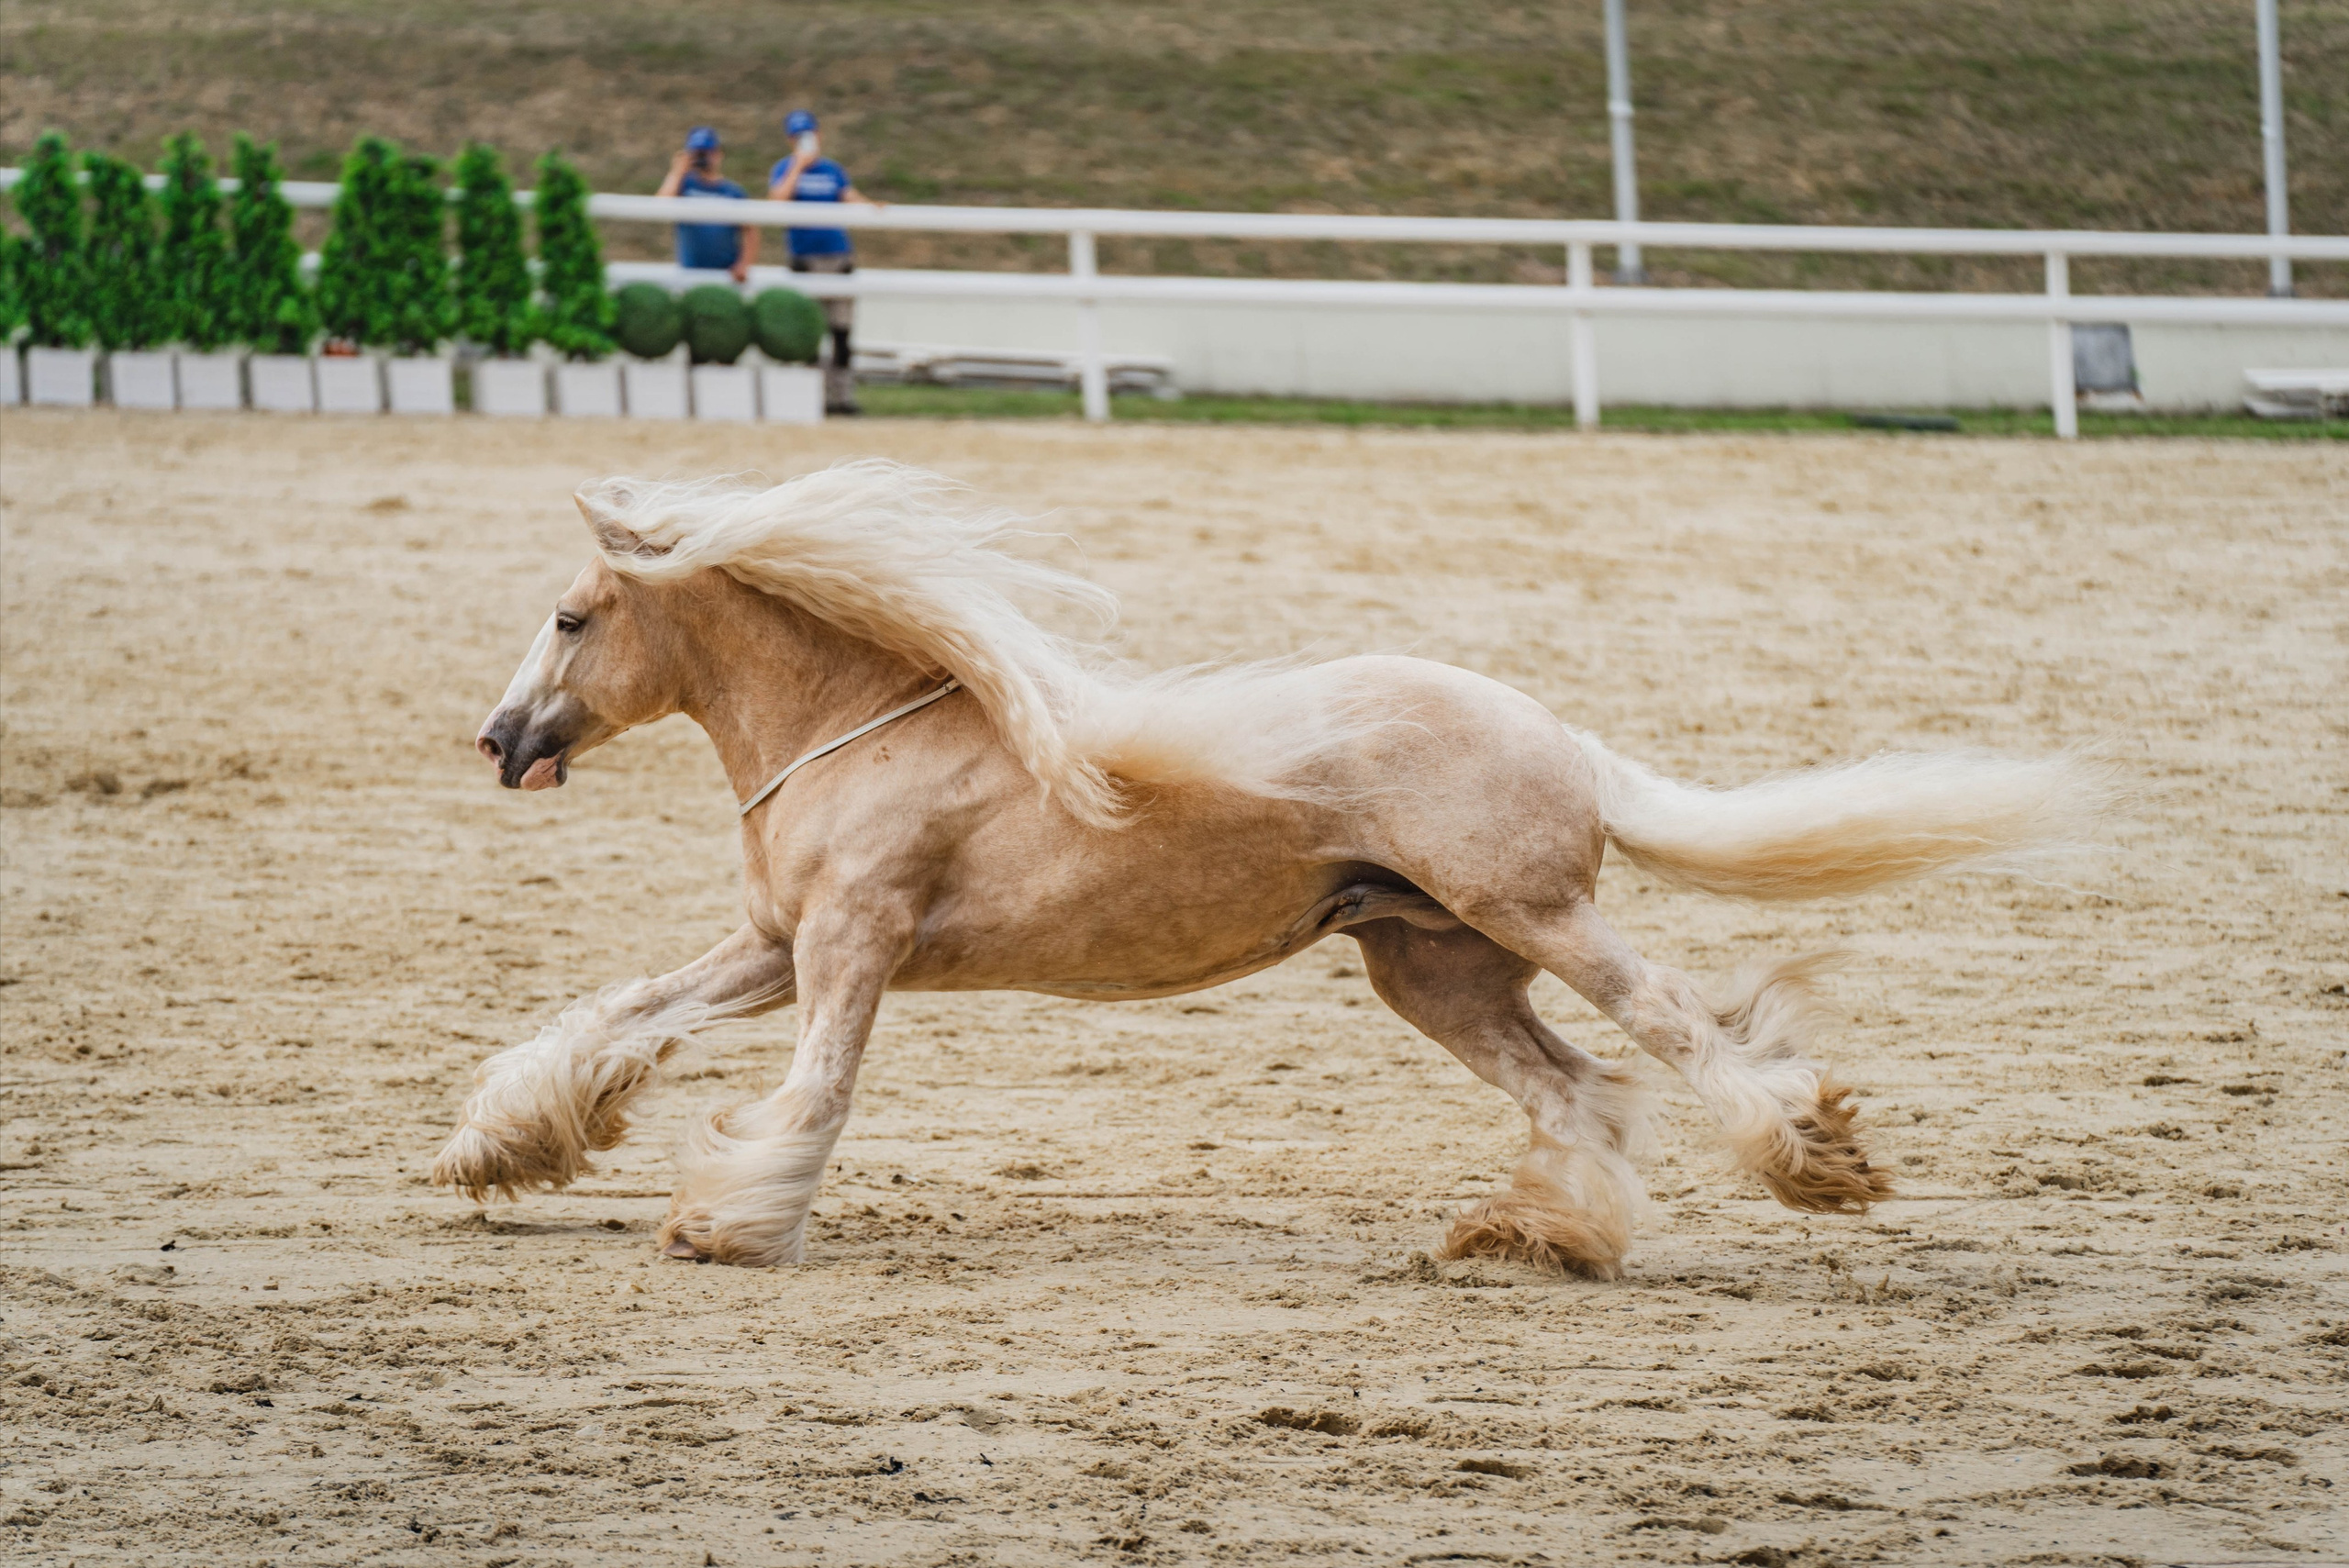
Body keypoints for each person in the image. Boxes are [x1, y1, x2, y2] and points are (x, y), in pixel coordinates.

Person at [768, 109, 883, 413]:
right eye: (798, 136)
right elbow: (778, 201)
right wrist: (798, 166)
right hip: (804, 259)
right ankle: (812, 399)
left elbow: (848, 196)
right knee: (809, 334)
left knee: (841, 332)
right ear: (790, 140)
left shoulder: (832, 170)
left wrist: (873, 207)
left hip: (838, 257)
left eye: (808, 134)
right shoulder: (784, 169)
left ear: (819, 135)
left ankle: (841, 398)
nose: (804, 140)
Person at [657, 127, 756, 284]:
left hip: (725, 274)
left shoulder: (733, 192)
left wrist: (744, 264)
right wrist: (677, 171)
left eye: (706, 153)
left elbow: (750, 230)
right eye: (698, 153)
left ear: (718, 155)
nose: (703, 159)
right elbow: (660, 206)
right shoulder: (684, 186)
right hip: (689, 272)